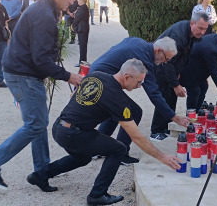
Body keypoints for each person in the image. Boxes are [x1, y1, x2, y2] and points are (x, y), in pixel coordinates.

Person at [27, 58, 181, 205]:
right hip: (74, 134)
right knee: (118, 149)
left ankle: (40, 175)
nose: (140, 86)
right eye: (139, 82)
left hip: (59, 127)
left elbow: (74, 95)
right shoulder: (115, 98)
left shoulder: (97, 75)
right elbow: (137, 137)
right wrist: (163, 157)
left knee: (82, 157)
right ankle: (97, 194)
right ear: (127, 77)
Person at [0, 0, 83, 191]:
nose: (72, 1)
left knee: (38, 123)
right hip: (23, 75)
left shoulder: (46, 10)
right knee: (36, 124)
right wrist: (68, 76)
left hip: (22, 72)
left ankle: (41, 172)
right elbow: (41, 59)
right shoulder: (44, 15)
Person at [90, 36, 190, 162]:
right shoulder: (143, 60)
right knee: (134, 111)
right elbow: (154, 93)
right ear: (159, 50)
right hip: (103, 80)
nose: (165, 62)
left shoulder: (139, 43)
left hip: (97, 73)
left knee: (115, 111)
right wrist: (174, 117)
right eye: (166, 58)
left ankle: (97, 150)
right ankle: (121, 154)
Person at [150, 12, 209, 141]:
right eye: (200, 28)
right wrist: (176, 84)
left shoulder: (191, 33)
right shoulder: (179, 35)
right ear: (192, 23)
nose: (203, 32)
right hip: (161, 65)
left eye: (205, 29)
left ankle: (165, 126)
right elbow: (168, 63)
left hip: (171, 67)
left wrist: (178, 73)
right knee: (165, 97)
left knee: (171, 98)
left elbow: (182, 56)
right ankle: (156, 130)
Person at [179, 34, 217, 112]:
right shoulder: (213, 50)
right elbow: (215, 74)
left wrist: (204, 76)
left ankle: (197, 111)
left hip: (194, 65)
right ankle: (191, 115)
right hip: (185, 69)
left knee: (204, 85)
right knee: (195, 90)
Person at [72, 0, 89, 67]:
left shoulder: (83, 8)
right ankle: (82, 62)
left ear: (82, 0)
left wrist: (73, 26)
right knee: (82, 46)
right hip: (83, 29)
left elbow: (77, 18)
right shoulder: (83, 7)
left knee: (82, 47)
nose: (78, 0)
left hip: (82, 29)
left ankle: (82, 63)